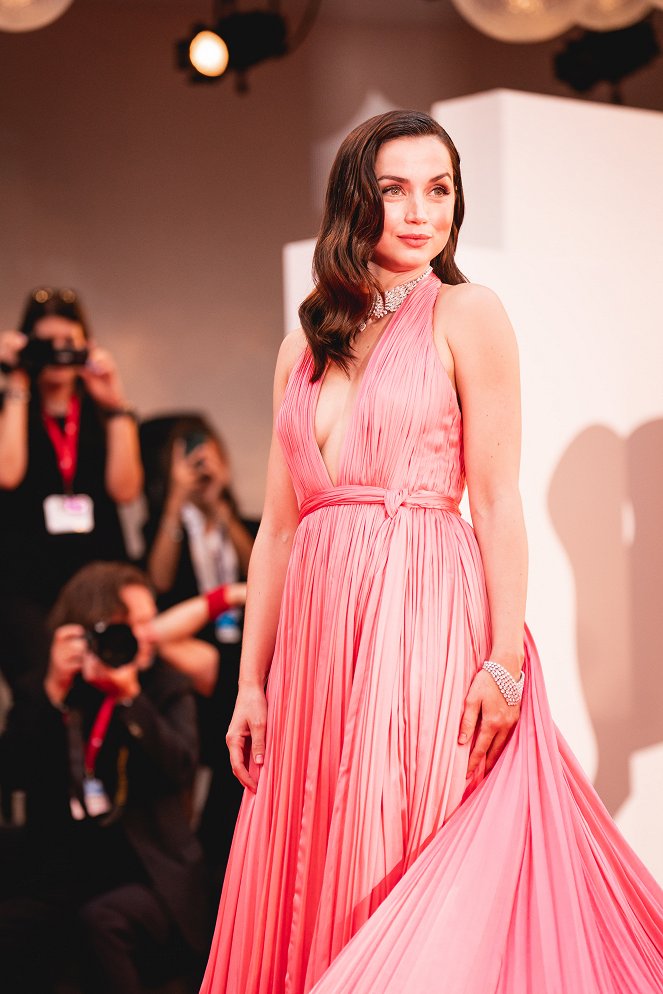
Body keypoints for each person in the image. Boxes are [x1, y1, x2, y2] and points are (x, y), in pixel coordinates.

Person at [200, 111, 663, 994]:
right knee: (313, 853)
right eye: (394, 189)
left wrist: (502, 661)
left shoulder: (468, 313)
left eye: (439, 188)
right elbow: (279, 528)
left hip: (421, 623)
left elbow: (494, 498)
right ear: (352, 203)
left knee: (399, 841)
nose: (420, 211)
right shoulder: (301, 348)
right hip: (316, 645)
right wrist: (251, 681)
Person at [0, 561, 211, 994]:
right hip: (64, 869)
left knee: (102, 920)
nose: (147, 635)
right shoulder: (52, 684)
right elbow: (13, 772)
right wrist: (52, 693)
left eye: (150, 620)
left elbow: (180, 768)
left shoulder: (163, 686)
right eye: (129, 624)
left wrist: (131, 698)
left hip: (148, 872)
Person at [0, 287, 143, 703]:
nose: (58, 354)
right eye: (46, 344)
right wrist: (16, 381)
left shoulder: (103, 410)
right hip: (25, 582)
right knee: (42, 689)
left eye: (69, 344)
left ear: (87, 346)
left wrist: (115, 402)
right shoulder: (13, 405)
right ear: (26, 344)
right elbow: (8, 474)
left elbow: (126, 489)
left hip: (97, 576)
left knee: (103, 686)